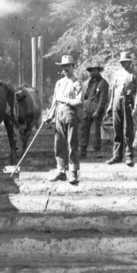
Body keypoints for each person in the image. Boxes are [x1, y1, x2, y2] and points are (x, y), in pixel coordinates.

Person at [43, 55, 84, 185]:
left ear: (73, 67)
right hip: (58, 115)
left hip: (71, 114)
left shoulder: (77, 82)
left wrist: (64, 100)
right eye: (64, 66)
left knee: (72, 144)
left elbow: (79, 102)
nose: (66, 68)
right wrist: (49, 115)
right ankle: (61, 171)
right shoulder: (59, 83)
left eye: (68, 66)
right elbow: (55, 101)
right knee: (58, 144)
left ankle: (73, 172)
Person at [106, 51, 137, 167]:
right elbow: (113, 90)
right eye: (122, 62)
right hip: (116, 101)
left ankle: (129, 156)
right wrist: (110, 105)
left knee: (128, 130)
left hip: (128, 102)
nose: (123, 64)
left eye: (126, 61)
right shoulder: (117, 74)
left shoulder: (135, 74)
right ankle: (116, 156)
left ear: (130, 62)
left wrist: (136, 106)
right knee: (117, 129)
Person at [79, 63, 110, 159]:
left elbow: (103, 99)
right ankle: (83, 151)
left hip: (97, 110)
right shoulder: (89, 83)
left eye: (95, 70)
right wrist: (84, 106)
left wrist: (98, 110)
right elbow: (86, 96)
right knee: (84, 129)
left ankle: (97, 150)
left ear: (98, 71)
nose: (93, 72)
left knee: (97, 131)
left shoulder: (104, 83)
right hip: (87, 109)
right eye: (91, 71)